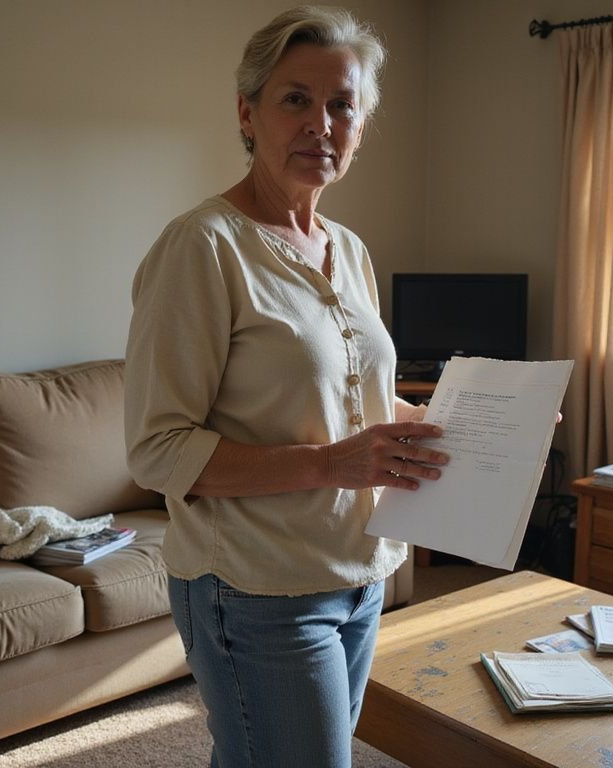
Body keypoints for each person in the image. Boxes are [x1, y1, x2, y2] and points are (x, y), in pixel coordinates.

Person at [123, 6, 449, 767]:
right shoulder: (202, 248)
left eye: (343, 104)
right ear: (248, 114)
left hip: (362, 574)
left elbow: (362, 407)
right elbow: (156, 449)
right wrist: (335, 464)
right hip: (257, 589)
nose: (321, 123)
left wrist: (473, 421)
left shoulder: (351, 249)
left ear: (361, 125)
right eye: (295, 99)